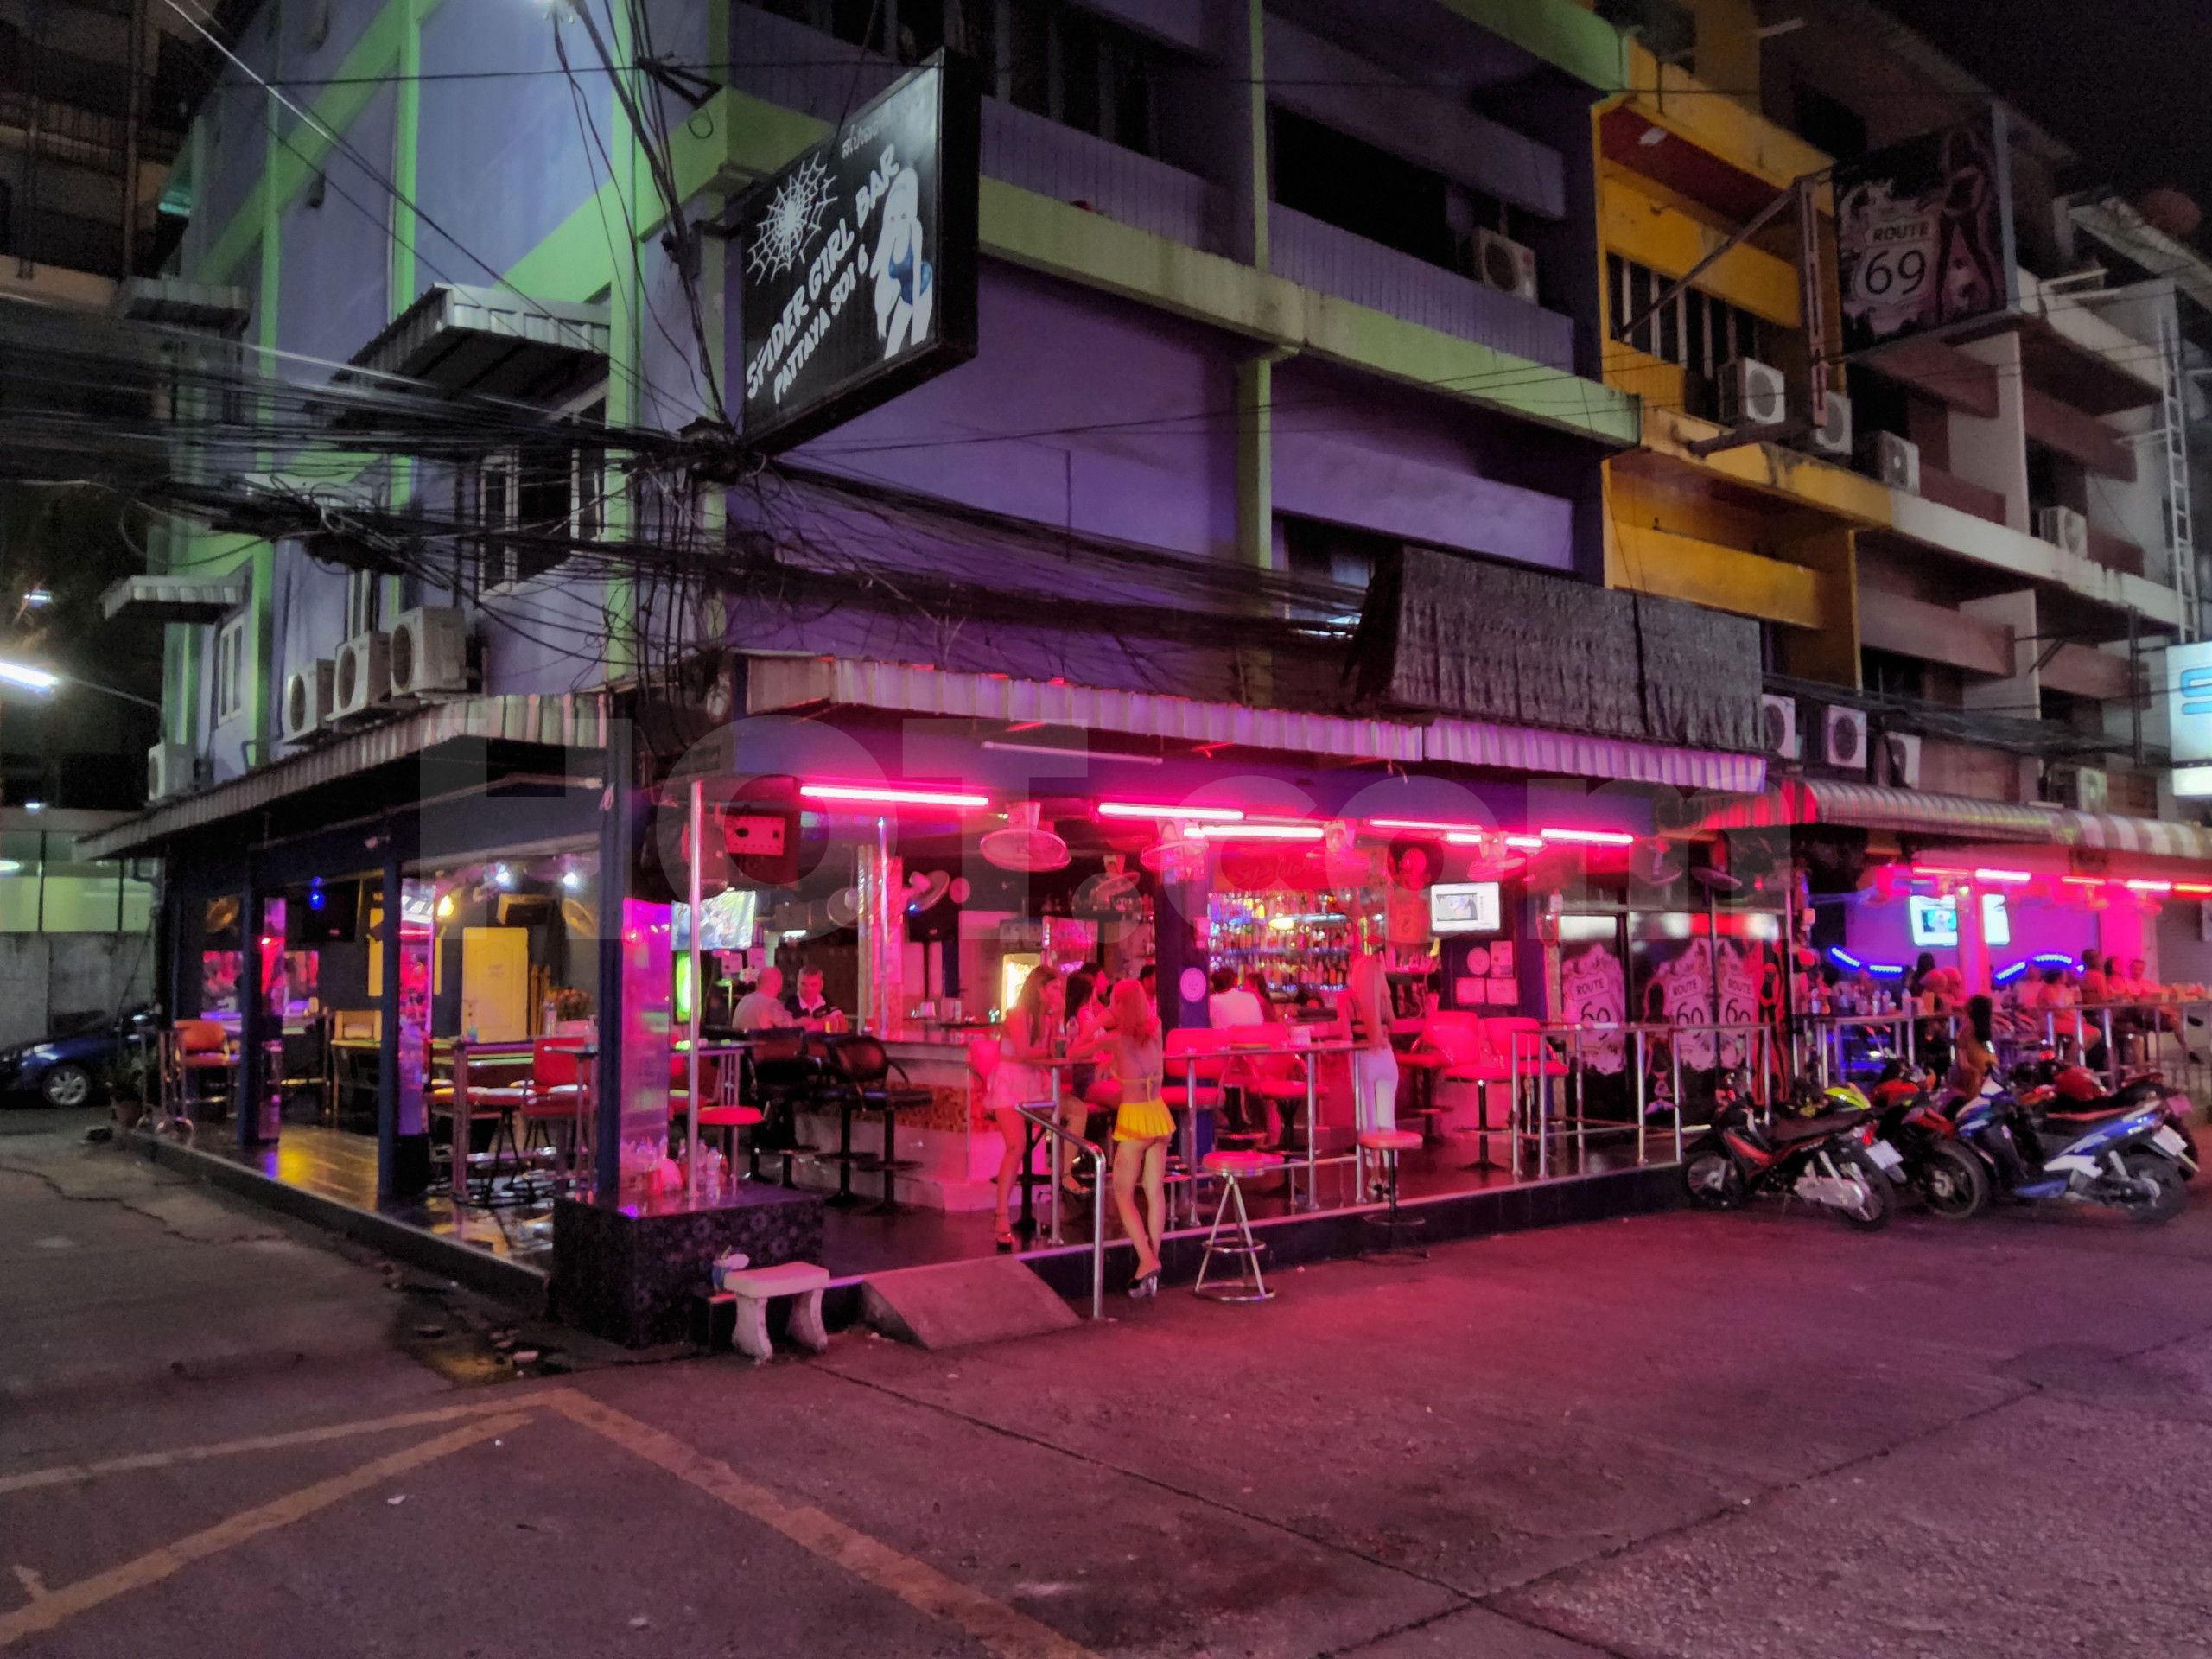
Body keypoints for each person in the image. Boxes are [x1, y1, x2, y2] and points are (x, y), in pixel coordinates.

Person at [1076, 976, 1172, 1298]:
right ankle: (1152, 1268)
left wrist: (1095, 1024)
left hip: (1133, 1120)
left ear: (1118, 1006)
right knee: (1155, 1192)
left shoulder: (1114, 1039)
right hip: (1159, 1115)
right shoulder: (1156, 1029)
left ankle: (1146, 1260)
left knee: (1123, 1194)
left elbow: (1075, 1051)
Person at [986, 964, 1064, 1252]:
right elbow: (1022, 1053)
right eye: (1054, 988)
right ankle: (1001, 1216)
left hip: (1034, 1082)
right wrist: (1052, 1052)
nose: (1058, 994)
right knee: (1015, 1146)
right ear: (1039, 989)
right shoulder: (1018, 1015)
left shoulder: (1048, 1018)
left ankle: (1065, 1182)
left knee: (1065, 1117)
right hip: (1009, 1081)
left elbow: (1054, 1050)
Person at [1340, 948, 1397, 1186]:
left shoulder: (1347, 999)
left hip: (1363, 1059)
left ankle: (1374, 1178)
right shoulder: (1385, 996)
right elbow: (1392, 1026)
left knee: (1368, 1121)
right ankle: (1391, 1180)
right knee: (1388, 1120)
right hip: (1387, 1059)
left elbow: (1346, 1037)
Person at [1057, 971, 1109, 1198]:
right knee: (1132, 1096)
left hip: (1090, 1075)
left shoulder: (1080, 1016)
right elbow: (1092, 1048)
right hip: (1089, 1078)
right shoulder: (1083, 1016)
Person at [1949, 992, 1999, 1100]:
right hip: (1988, 1064)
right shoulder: (1987, 1027)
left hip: (1974, 1067)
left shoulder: (1969, 1027)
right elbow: (1989, 1048)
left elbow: (1961, 1050)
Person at [732, 967, 796, 1033]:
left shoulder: (743, 1001)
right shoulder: (771, 1003)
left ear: (757, 983)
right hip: (758, 1042)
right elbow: (789, 1026)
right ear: (778, 984)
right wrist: (802, 1021)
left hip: (739, 1041)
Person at [782, 964, 842, 1029]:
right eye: (803, 984)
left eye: (813, 985)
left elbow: (842, 1022)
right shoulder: (790, 1003)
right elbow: (787, 1031)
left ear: (821, 984)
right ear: (797, 983)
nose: (808, 989)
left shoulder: (825, 999)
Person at [1207, 966, 1263, 1030]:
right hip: (1257, 1038)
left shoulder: (1212, 1001)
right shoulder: (1251, 997)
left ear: (1213, 985)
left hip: (1226, 1039)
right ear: (1235, 981)